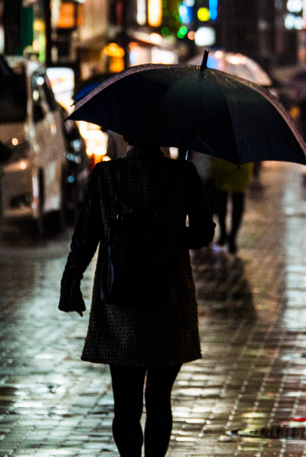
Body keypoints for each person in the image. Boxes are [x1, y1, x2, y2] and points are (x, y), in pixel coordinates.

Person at [59, 143, 215, 457]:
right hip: (170, 303)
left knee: (126, 405)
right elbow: (202, 234)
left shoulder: (105, 174)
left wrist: (71, 279)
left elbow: (87, 234)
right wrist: (168, 233)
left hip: (120, 307)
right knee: (159, 400)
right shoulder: (182, 173)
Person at [210, 156, 253, 253]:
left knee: (222, 200)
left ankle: (224, 233)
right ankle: (232, 236)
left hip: (223, 160)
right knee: (237, 202)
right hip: (241, 163)